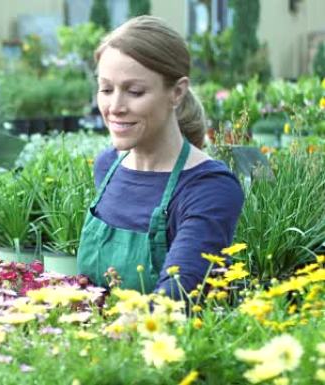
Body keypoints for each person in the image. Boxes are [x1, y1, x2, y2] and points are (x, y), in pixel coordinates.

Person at [76, 16, 244, 298]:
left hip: (165, 339)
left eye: (135, 92)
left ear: (176, 92)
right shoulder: (108, 167)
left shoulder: (209, 188)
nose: (115, 106)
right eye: (106, 89)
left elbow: (174, 300)